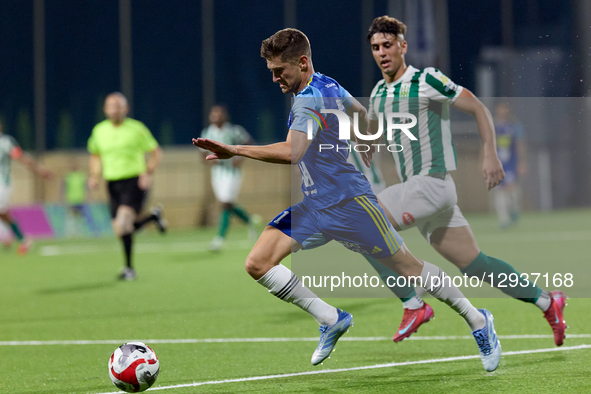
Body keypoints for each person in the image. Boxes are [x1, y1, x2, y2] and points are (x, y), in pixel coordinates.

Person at [194, 28, 501, 372]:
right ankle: (331, 318)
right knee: (258, 262)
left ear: (303, 62)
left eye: (280, 70)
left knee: (410, 269)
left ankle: (478, 321)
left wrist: (234, 150)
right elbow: (360, 112)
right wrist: (364, 136)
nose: (276, 78)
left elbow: (295, 151)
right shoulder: (327, 83)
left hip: (350, 204)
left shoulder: (311, 97)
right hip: (314, 206)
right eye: (271, 72)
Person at [362, 16, 566, 346]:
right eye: (375, 47)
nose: (382, 52)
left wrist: (490, 155)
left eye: (388, 45)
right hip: (425, 196)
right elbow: (368, 134)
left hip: (431, 184)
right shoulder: (377, 94)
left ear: (403, 46)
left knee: (361, 224)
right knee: (475, 264)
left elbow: (477, 107)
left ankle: (412, 303)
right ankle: (546, 301)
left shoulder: (426, 80)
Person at [87, 92, 167, 280]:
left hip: (134, 181)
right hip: (112, 183)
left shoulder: (136, 129)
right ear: (105, 109)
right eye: (110, 106)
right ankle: (152, 218)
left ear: (126, 109)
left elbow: (156, 152)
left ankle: (129, 269)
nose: (114, 110)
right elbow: (95, 154)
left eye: (118, 106)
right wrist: (94, 176)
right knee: (120, 229)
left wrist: (147, 172)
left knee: (123, 223)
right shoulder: (99, 130)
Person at [200, 105, 260, 251]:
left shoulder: (234, 130)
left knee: (225, 203)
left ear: (224, 116)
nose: (216, 117)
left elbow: (248, 142)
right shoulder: (207, 132)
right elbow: (202, 152)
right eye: (213, 114)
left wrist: (240, 159)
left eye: (219, 114)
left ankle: (219, 239)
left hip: (232, 172)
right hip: (217, 173)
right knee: (227, 203)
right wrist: (209, 160)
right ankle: (249, 221)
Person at [0, 120, 52, 254]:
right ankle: (21, 238)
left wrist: (39, 169)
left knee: (2, 212)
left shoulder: (6, 142)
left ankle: (8, 236)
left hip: (2, 185)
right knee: (3, 214)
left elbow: (21, 157)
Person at [493, 102, 527, 229]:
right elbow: (485, 145)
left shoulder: (515, 126)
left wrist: (522, 162)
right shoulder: (492, 126)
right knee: (499, 191)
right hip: (497, 164)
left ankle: (514, 210)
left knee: (513, 191)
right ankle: (503, 220)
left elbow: (520, 144)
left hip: (511, 163)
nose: (502, 111)